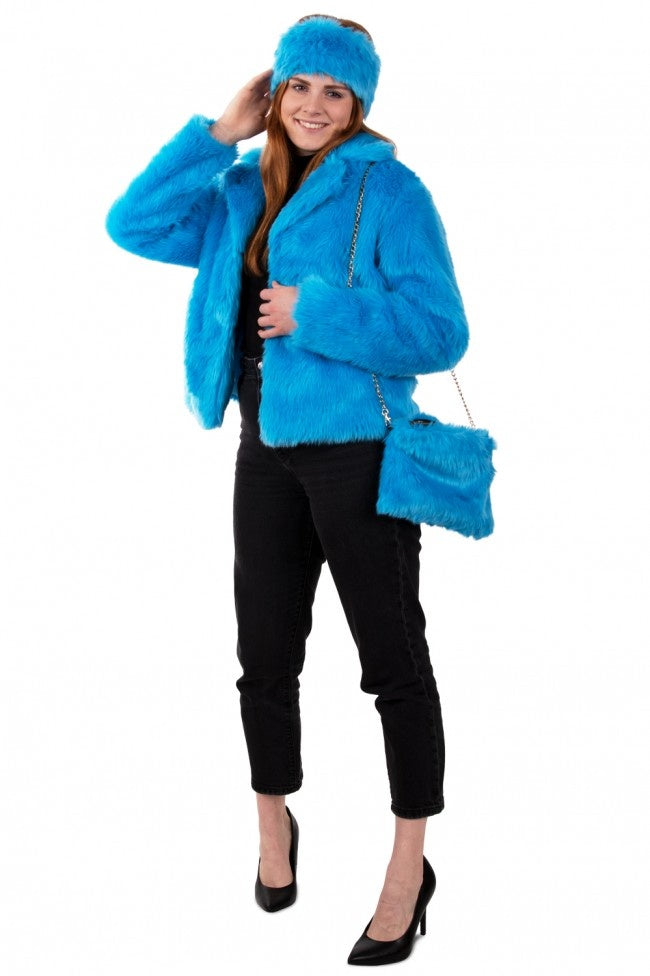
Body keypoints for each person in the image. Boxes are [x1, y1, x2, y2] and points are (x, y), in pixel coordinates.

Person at [105, 13, 469, 966]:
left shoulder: (389, 191)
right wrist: (217, 134)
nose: (313, 105)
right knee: (263, 655)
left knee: (393, 665)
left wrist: (319, 313)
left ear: (357, 105)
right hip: (263, 452)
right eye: (298, 85)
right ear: (276, 92)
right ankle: (274, 826)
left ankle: (408, 869)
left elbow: (441, 330)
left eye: (334, 92)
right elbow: (132, 224)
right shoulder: (239, 190)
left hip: (360, 455)